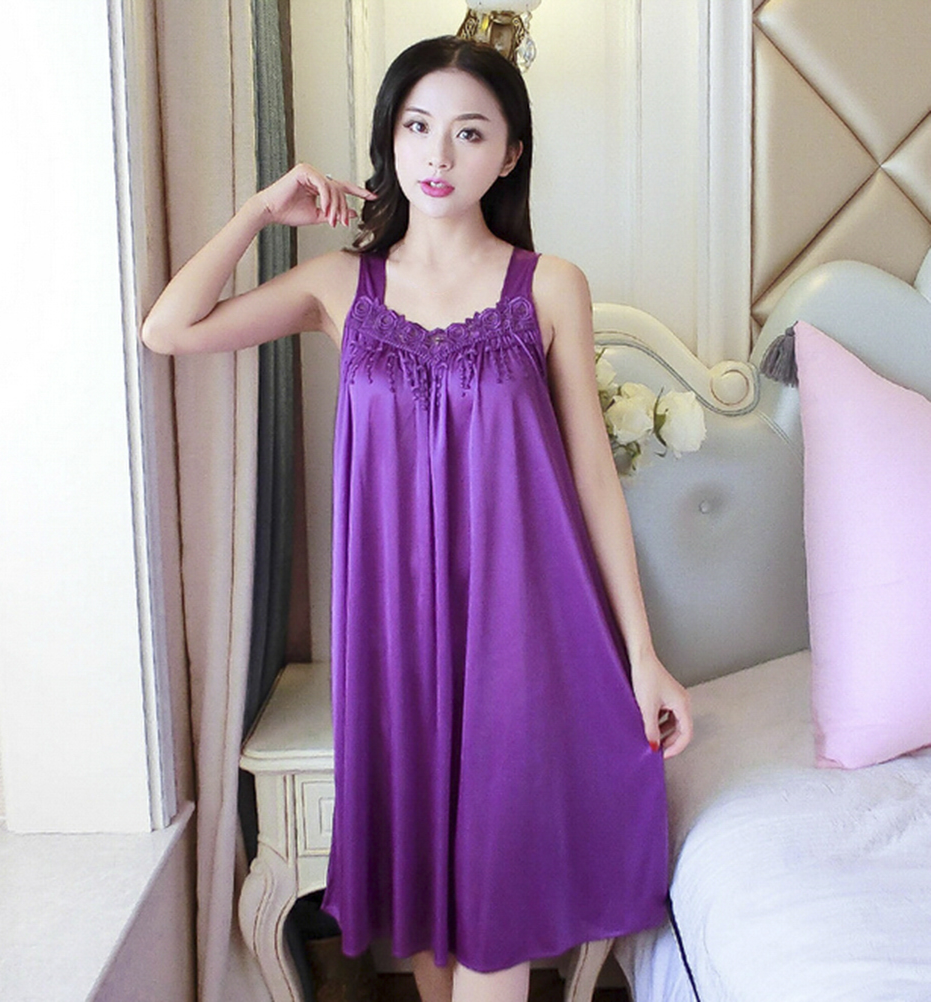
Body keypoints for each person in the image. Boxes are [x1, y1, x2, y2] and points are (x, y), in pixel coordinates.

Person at [143, 34, 692, 1002]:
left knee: (496, 918)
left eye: (469, 133)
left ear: (510, 154)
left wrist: (643, 655)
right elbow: (169, 328)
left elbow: (593, 480)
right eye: (417, 127)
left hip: (522, 640)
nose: (438, 155)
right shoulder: (339, 287)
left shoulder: (549, 286)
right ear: (389, 139)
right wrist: (262, 209)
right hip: (392, 644)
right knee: (425, 908)